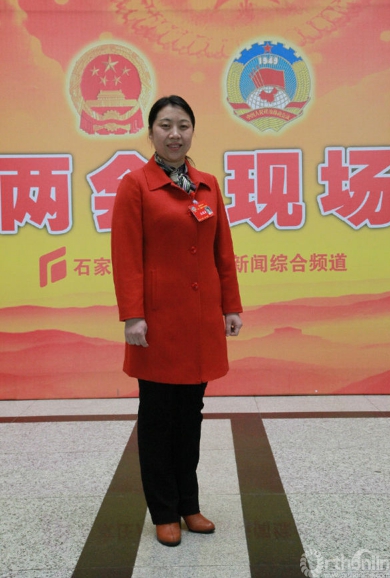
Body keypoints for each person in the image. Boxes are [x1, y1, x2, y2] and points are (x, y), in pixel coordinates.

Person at [111, 95, 243, 547]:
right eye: (165, 125)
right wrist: (133, 315)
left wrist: (231, 306)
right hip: (156, 325)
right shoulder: (135, 185)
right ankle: (164, 511)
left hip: (200, 323)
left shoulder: (207, 185)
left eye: (183, 125)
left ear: (192, 131)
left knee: (190, 417)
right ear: (151, 132)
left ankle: (190, 505)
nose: (174, 134)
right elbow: (126, 256)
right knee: (157, 418)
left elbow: (223, 251)